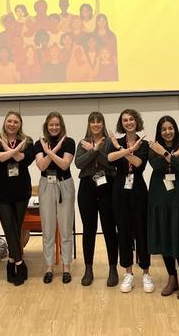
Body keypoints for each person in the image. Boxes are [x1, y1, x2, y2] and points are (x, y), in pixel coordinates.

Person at [147, 116, 179, 300]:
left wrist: (168, 155)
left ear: (175, 130)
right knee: (165, 234)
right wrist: (172, 155)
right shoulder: (153, 149)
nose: (167, 132)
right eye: (164, 129)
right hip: (160, 195)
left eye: (170, 128)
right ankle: (172, 277)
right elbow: (157, 166)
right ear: (159, 132)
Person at [108, 109, 154, 293]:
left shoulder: (144, 143)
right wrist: (125, 150)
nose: (128, 122)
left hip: (139, 190)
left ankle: (146, 272)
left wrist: (121, 151)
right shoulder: (117, 141)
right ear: (122, 123)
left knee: (141, 230)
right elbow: (110, 158)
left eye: (131, 119)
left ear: (137, 121)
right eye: (125, 120)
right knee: (124, 231)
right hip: (120, 190)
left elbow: (138, 163)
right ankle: (128, 273)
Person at [0, 110, 35, 285]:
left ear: (20, 124)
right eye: (9, 121)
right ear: (5, 122)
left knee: (16, 227)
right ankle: (20, 264)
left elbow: (25, 159)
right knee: (8, 226)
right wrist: (14, 151)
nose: (12, 124)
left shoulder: (27, 141)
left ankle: (11, 261)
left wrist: (8, 150)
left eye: (16, 122)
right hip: (1, 191)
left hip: (21, 191)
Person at [75, 112, 119, 287]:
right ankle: (88, 269)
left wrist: (95, 151)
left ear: (103, 124)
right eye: (92, 122)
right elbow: (79, 163)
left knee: (109, 228)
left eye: (98, 121)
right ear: (89, 124)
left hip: (107, 186)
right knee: (89, 229)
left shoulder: (110, 143)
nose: (95, 124)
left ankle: (113, 269)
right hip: (87, 188)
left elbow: (111, 163)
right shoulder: (83, 142)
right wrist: (92, 150)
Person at [34, 112, 76, 283]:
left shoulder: (69, 142)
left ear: (61, 126)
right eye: (51, 124)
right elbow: (41, 166)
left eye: (57, 124)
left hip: (64, 185)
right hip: (46, 185)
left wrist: (52, 151)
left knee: (65, 229)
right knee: (48, 229)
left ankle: (66, 267)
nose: (54, 127)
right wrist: (49, 152)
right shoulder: (39, 143)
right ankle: (49, 266)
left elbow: (64, 165)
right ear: (46, 126)